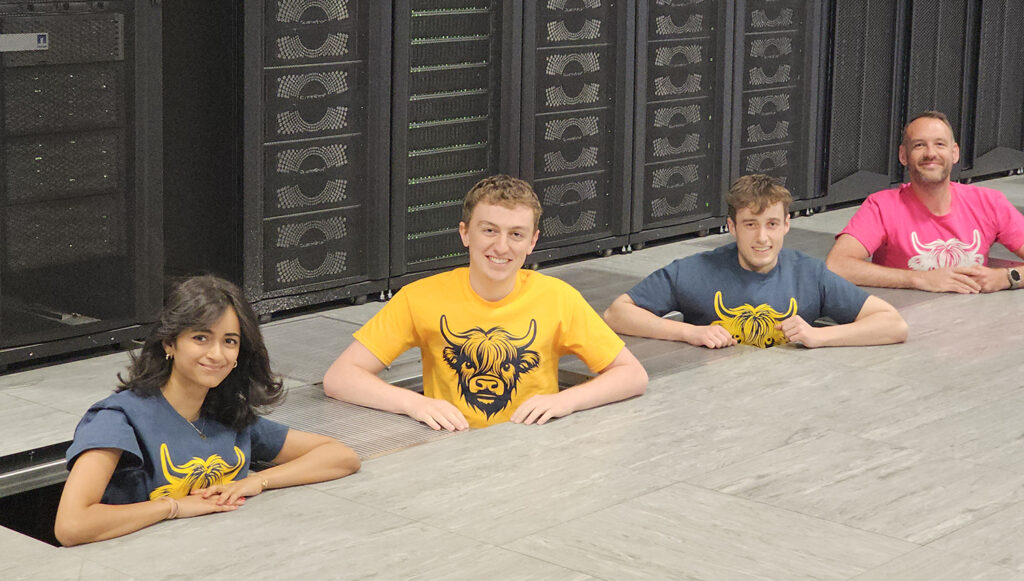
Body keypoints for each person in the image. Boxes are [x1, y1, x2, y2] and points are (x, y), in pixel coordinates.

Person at [54, 276, 361, 546]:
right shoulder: (117, 420)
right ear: (170, 343)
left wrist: (255, 481)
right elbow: (71, 526)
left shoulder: (228, 414)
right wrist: (173, 508)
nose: (216, 354)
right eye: (201, 338)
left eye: (229, 341)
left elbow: (340, 457)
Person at [323, 175, 647, 431]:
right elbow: (340, 378)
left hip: (535, 448)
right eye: (489, 230)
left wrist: (567, 400)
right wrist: (414, 404)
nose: (501, 246)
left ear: (532, 242)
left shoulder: (559, 298)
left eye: (516, 234)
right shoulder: (419, 297)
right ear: (465, 233)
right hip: (450, 450)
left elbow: (632, 375)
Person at [604, 174, 908, 349]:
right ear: (732, 226)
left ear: (787, 224)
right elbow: (617, 313)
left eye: (772, 224)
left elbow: (893, 324)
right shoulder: (694, 271)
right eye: (750, 225)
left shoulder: (810, 274)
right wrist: (689, 332)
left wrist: (819, 336)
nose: (762, 237)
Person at [826, 110, 1024, 293]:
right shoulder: (881, 206)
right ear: (903, 155)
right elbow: (837, 265)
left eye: (940, 144)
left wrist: (1007, 277)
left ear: (954, 153)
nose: (931, 153)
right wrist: (919, 279)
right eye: (919, 145)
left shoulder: (989, 203)